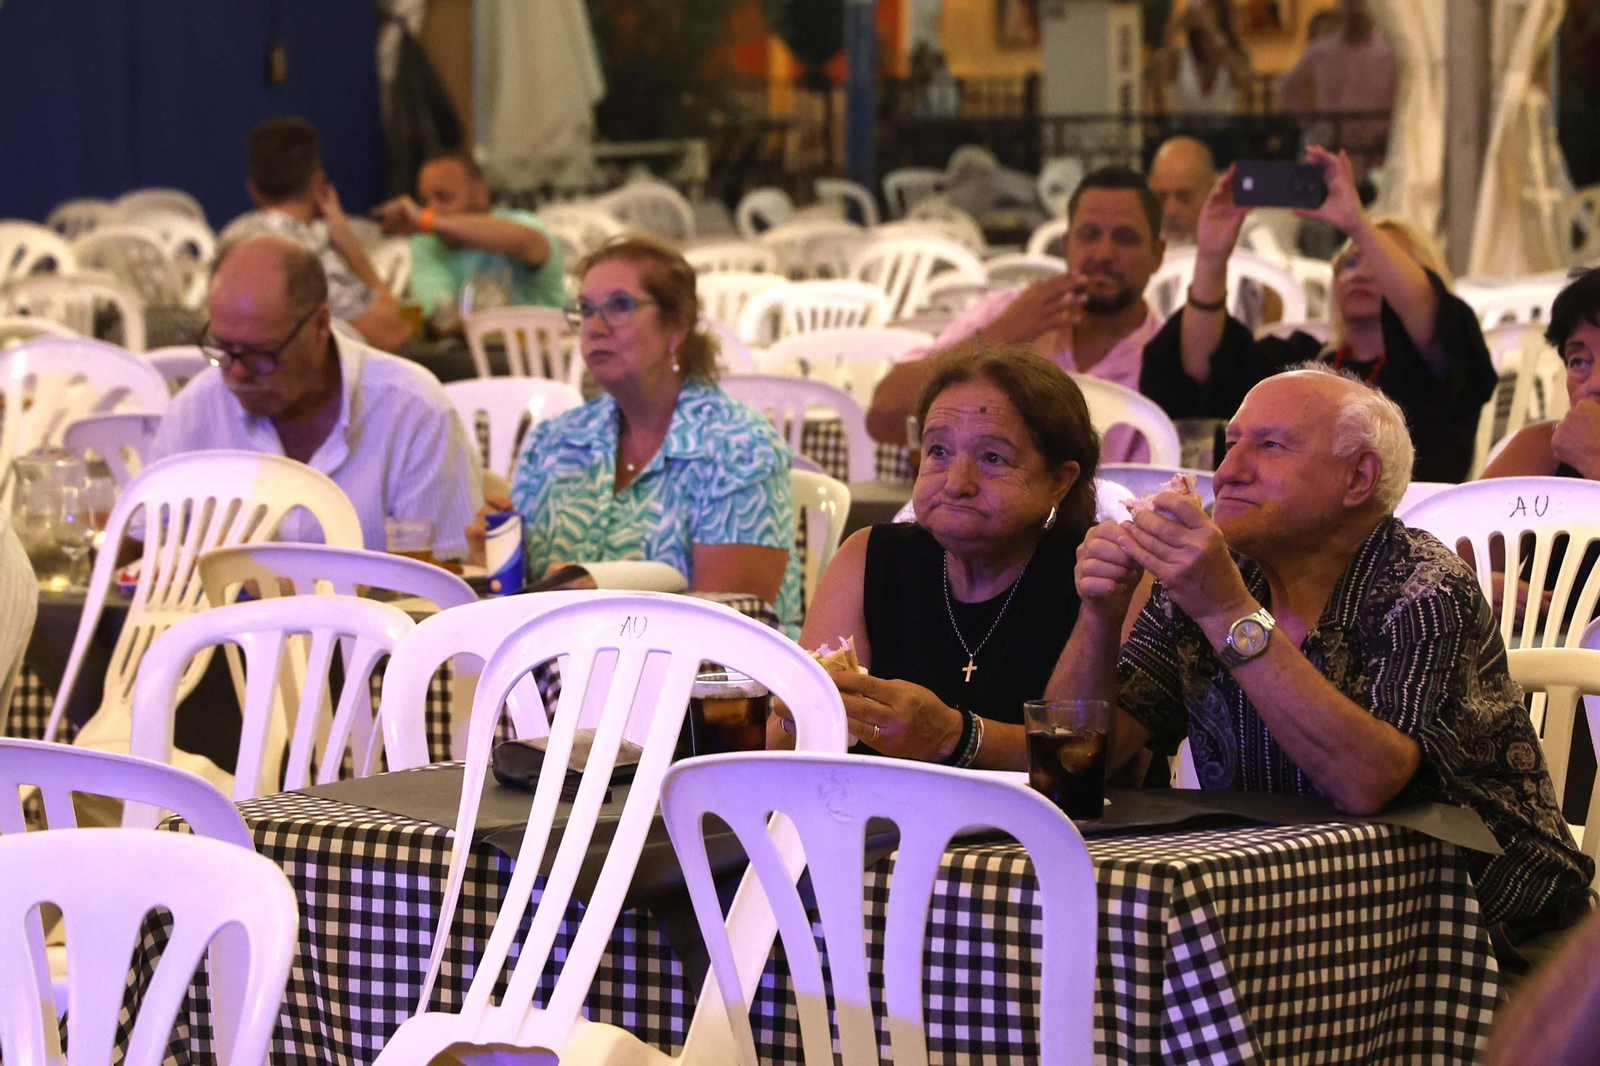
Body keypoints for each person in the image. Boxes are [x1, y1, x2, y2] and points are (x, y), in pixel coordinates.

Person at [1051, 364, 1593, 934]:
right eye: (1231, 444)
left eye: (1270, 446)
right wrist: (1100, 615)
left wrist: (1225, 610)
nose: (1228, 472)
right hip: (1286, 900)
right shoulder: (1209, 579)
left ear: (1358, 478)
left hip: (1476, 925)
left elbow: (1366, 782)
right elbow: (1076, 767)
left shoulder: (1424, 586)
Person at [777, 346, 1095, 769]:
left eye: (992, 458)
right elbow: (783, 743)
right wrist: (800, 712)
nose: (956, 483)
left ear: (1059, 481)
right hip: (880, 810)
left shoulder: (1100, 578)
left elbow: (1089, 760)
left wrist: (954, 737)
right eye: (939, 452)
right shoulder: (869, 558)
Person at [472, 235, 803, 633]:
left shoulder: (740, 448)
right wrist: (492, 559)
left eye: (619, 306)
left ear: (677, 325)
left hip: (709, 669)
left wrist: (607, 603)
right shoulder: (554, 441)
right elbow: (520, 599)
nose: (595, 328)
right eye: (585, 310)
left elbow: (731, 624)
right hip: (564, 661)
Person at [1140, 146, 1497, 483]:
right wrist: (1211, 257)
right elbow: (1202, 370)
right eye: (1350, 261)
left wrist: (1358, 224)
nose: (1362, 271)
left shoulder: (1439, 372)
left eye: (1377, 260)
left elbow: (1434, 322)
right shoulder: (1303, 362)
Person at [147, 234, 483, 559]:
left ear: (321, 324)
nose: (236, 372)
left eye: (260, 353)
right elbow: (141, 549)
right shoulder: (194, 411)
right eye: (222, 348)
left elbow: (448, 575)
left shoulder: (412, 411)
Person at [868, 166, 1167, 462]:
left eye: (1125, 237)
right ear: (1066, 246)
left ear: (1157, 254)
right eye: (1089, 235)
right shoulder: (1010, 311)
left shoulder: (1170, 355)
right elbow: (883, 416)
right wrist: (999, 336)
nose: (1103, 253)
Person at [371, 152, 566, 318]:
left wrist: (428, 221)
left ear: (480, 194)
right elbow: (439, 316)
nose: (431, 209)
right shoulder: (426, 243)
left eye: (444, 197)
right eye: (425, 201)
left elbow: (526, 242)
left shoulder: (523, 224)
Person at [1484, 268, 1600, 481]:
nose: (1595, 383)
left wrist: (1594, 459)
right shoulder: (1545, 449)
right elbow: (1470, 504)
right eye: (1579, 362)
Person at [1277, 0, 1396, 185]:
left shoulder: (1390, 52)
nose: (1355, 9)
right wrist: (1312, 123)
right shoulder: (1322, 50)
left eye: (1360, 3)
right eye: (1349, 3)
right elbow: (1286, 88)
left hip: (1376, 159)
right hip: (1331, 155)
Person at [1146, 0, 1251, 116]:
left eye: (1208, 6)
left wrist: (1212, 32)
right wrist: (1176, 29)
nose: (1202, 12)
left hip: (1224, 126)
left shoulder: (1230, 54)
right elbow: (1154, 79)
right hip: (1183, 126)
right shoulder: (1177, 57)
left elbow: (1245, 84)